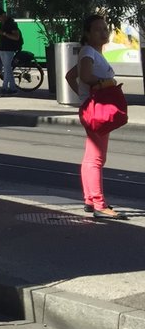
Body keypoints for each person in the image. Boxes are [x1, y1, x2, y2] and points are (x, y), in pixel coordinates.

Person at [65, 13, 125, 219]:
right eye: (98, 29)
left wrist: (82, 97)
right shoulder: (88, 51)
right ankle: (99, 204)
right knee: (97, 158)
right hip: (96, 108)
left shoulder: (92, 52)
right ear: (87, 33)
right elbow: (86, 76)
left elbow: (71, 76)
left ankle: (90, 199)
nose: (103, 32)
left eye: (105, 28)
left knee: (92, 156)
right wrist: (100, 86)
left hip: (93, 106)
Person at [0, 8, 22, 95]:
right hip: (3, 48)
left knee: (7, 67)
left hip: (10, 48)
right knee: (7, 68)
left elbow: (16, 37)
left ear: (3, 15)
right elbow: (2, 35)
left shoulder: (11, 23)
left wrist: (3, 33)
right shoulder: (2, 22)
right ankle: (11, 88)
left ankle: (5, 87)